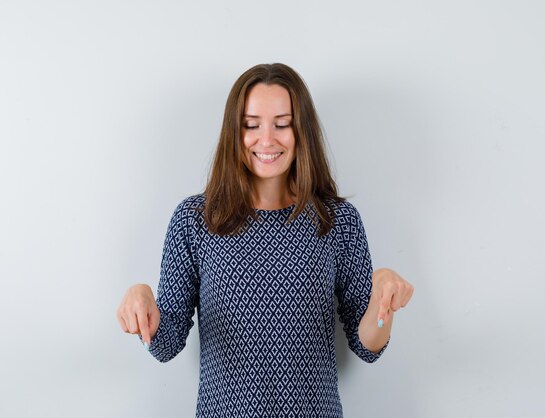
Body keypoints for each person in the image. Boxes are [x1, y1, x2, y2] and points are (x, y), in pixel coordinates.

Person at [116, 63, 414, 417]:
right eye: (251, 125)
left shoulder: (337, 221)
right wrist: (142, 296)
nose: (267, 139)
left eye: (283, 124)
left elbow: (368, 347)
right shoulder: (195, 221)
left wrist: (383, 303)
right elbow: (164, 345)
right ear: (234, 132)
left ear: (301, 130)